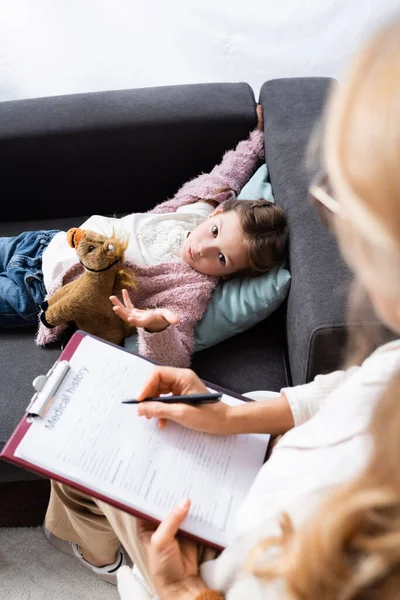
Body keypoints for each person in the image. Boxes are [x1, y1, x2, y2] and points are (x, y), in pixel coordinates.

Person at [43, 16, 400, 599]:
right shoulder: (205, 202)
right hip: (69, 254)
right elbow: (363, 386)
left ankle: (100, 557)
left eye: (343, 205)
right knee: (85, 451)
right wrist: (236, 415)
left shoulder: (191, 291)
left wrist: (183, 593)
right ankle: (88, 543)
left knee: (86, 453)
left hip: (213, 560)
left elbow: (172, 336)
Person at [0, 105, 288, 367]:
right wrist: (258, 138)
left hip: (39, 289)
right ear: (217, 213)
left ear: (230, 275)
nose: (203, 249)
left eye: (222, 258)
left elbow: (176, 355)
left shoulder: (191, 289)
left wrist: (156, 328)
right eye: (215, 232)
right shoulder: (199, 207)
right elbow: (230, 172)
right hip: (43, 243)